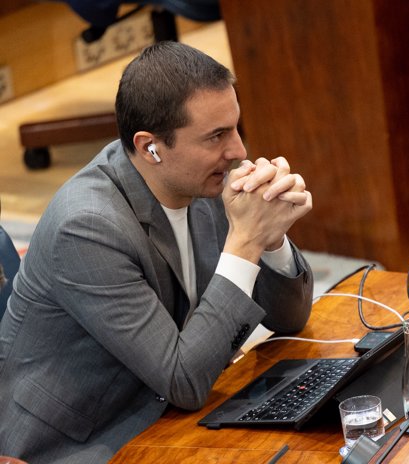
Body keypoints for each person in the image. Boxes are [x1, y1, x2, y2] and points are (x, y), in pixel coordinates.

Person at [0, 41, 314, 463]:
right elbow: (184, 379)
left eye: (236, 127)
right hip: (80, 442)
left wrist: (272, 238)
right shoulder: (86, 227)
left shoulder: (200, 179)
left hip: (170, 407)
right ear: (150, 147)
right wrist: (246, 242)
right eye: (217, 136)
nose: (239, 151)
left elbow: (288, 319)